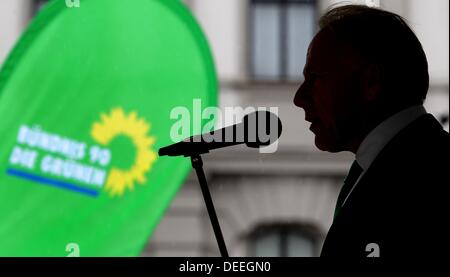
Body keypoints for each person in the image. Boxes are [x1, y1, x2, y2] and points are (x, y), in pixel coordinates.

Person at [293, 5, 449, 257]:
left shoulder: (425, 182)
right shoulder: (417, 162)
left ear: (371, 82)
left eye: (315, 79)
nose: (299, 98)